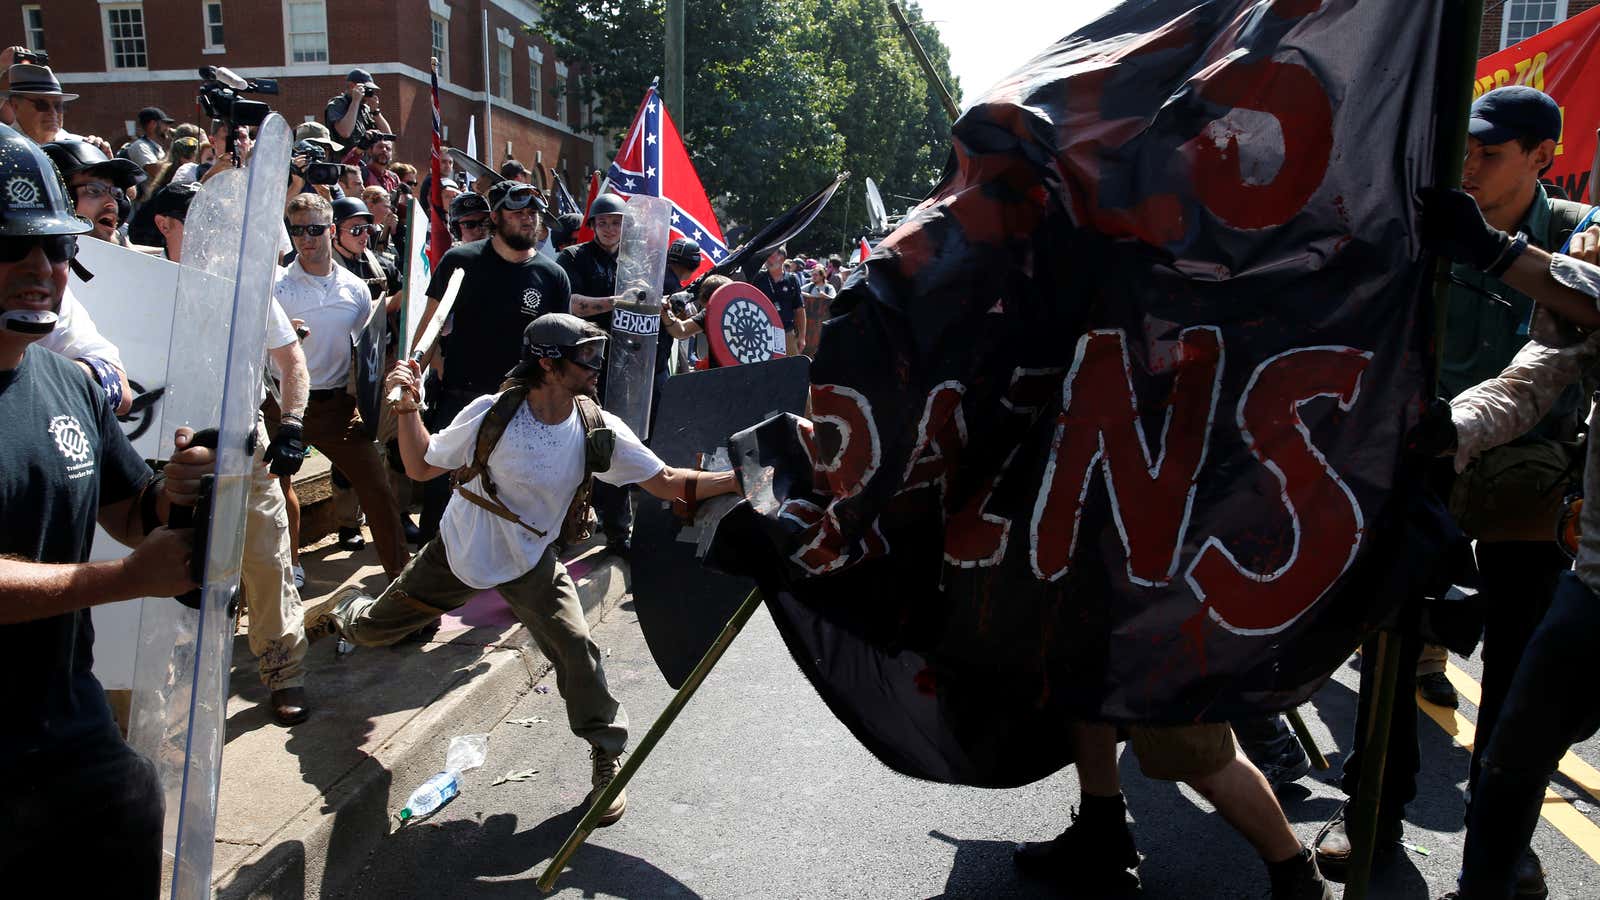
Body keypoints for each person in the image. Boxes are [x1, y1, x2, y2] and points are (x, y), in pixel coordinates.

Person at [1314, 88, 1592, 897]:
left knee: (1521, 674)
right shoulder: (1431, 220)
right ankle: (1374, 813)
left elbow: (1547, 371)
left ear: (1542, 157)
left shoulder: (1580, 236)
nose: (1468, 166)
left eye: (1490, 153)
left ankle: (1506, 840)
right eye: (1464, 149)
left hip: (1531, 481)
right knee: (1391, 648)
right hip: (1430, 461)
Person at [318, 313, 742, 827]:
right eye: (584, 356)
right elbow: (421, 466)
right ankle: (343, 612)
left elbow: (668, 481)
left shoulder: (594, 427)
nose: (596, 367)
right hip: (458, 553)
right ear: (547, 362)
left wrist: (739, 478)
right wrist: (408, 407)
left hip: (530, 563)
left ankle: (606, 753)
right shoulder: (492, 414)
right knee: (370, 632)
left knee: (576, 648)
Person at [0, 122, 216, 895]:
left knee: (129, 806)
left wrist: (177, 492)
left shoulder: (63, 384)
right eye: (10, 247)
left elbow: (129, 509)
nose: (40, 269)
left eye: (55, 249)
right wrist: (129, 581)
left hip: (72, 728)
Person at [1416, 185, 1600, 900]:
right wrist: (1453, 425)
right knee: (1513, 756)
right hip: (1593, 586)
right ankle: (1487, 883)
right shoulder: (1581, 284)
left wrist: (1503, 255)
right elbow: (1530, 380)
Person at [413, 180, 570, 544]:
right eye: (518, 213)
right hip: (461, 400)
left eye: (533, 213)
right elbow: (430, 328)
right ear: (496, 216)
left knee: (515, 496)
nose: (528, 220)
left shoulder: (552, 275)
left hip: (522, 405)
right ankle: (432, 575)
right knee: (442, 493)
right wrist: (416, 372)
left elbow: (560, 349)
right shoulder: (460, 261)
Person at [1015, 722, 1332, 899]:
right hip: (1099, 609)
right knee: (1090, 696)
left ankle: (1301, 883)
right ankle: (1101, 834)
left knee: (1192, 747)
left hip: (1161, 614)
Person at [271, 193, 409, 578]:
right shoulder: (276, 285)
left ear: (332, 231)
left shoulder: (355, 289)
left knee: (378, 490)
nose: (306, 238)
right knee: (275, 493)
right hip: (282, 406)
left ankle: (402, 581)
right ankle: (289, 567)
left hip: (337, 407)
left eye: (315, 230)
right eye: (297, 230)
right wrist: (287, 338)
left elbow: (368, 353)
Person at [41, 139, 146, 246]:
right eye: (94, 190)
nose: (112, 202)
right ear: (56, 198)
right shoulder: (36, 261)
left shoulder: (114, 249)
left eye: (116, 193)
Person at [324, 69, 394, 155]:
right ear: (352, 86)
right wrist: (355, 101)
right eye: (365, 89)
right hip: (343, 163)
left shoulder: (365, 109)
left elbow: (388, 138)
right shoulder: (338, 104)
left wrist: (375, 112)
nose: (368, 93)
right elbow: (345, 132)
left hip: (364, 163)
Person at [752, 246, 805, 357]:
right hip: (761, 333)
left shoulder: (792, 279)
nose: (767, 259)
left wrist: (802, 337)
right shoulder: (758, 278)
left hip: (786, 332)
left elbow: (799, 310)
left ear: (781, 259)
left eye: (771, 256)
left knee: (790, 368)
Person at [123, 106, 172, 184]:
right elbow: (155, 171)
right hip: (147, 196)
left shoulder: (156, 147)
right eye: (165, 124)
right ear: (152, 124)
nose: (168, 128)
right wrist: (174, 150)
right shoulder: (140, 146)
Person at [798, 264, 835, 356]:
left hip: (822, 321)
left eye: (816, 275)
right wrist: (809, 296)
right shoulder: (810, 286)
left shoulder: (828, 287)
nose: (813, 277)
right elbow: (798, 291)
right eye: (812, 274)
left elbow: (834, 298)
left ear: (822, 276)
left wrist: (825, 296)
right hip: (810, 321)